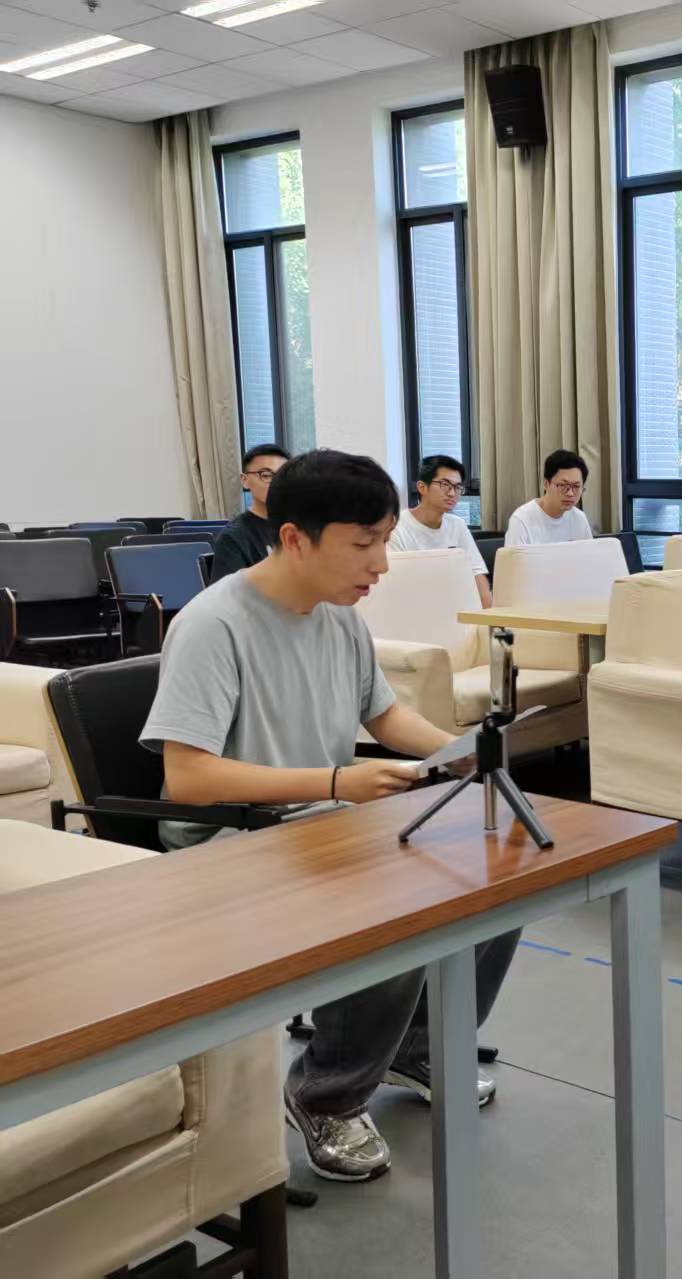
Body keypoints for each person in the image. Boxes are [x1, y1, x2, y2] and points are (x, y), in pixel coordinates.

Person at [140, 448, 517, 1183]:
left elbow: (385, 714)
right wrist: (339, 781)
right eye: (364, 543)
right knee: (394, 901)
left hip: (320, 820)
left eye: (385, 540)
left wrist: (459, 753)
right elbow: (187, 779)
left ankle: (415, 1048)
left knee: (498, 877)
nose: (381, 563)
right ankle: (327, 1094)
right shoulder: (213, 625)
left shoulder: (338, 616)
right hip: (231, 836)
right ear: (295, 539)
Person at [389, 454, 493, 606]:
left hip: (456, 604)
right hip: (413, 606)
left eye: (457, 487)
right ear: (422, 487)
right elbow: (395, 584)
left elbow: (476, 572)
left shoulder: (457, 525)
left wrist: (489, 614)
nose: (452, 493)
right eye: (445, 485)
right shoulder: (397, 527)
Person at [209, 443, 289, 580]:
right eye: (266, 475)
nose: (276, 483)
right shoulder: (233, 538)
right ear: (244, 480)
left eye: (283, 475)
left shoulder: (302, 527)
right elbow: (229, 592)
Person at [503, 448, 594, 546]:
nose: (570, 493)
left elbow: (590, 554)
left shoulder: (579, 519)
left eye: (576, 486)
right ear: (546, 484)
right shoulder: (522, 520)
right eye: (563, 485)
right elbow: (514, 556)